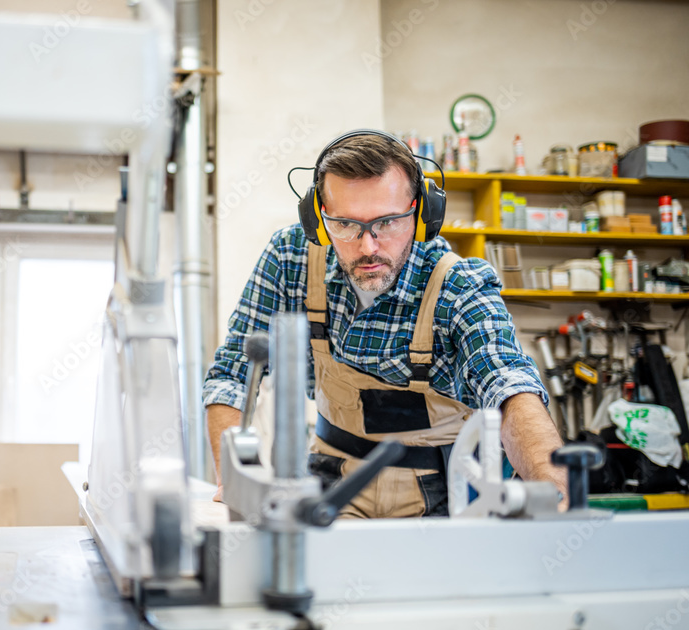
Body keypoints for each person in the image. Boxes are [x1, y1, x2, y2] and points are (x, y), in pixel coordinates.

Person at [202, 130, 566, 518]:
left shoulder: (458, 285)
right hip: (332, 481)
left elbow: (508, 384)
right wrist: (233, 477)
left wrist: (552, 490)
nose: (368, 246)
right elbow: (232, 374)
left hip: (443, 493)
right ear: (318, 217)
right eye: (345, 224)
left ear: (421, 212)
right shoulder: (292, 257)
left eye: (389, 222)